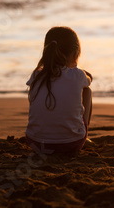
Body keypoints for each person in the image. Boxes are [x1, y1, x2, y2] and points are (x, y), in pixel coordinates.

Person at [25, 26, 93, 154]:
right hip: (71, 143)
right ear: (75, 55)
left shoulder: (36, 75)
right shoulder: (78, 75)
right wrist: (82, 73)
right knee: (87, 91)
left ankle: (43, 129)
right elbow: (90, 79)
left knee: (38, 88)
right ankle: (83, 135)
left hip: (36, 143)